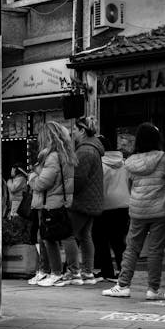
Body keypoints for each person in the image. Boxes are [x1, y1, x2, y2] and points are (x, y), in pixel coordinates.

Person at [103, 123, 165, 300]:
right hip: (161, 210)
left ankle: (123, 285)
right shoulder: (163, 159)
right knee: (155, 251)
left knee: (131, 248)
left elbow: (130, 187)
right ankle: (153, 289)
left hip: (138, 210)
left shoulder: (129, 162)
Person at [52, 116, 104, 286]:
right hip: (92, 201)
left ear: (82, 130)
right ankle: (87, 272)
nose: (72, 132)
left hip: (81, 201)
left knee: (69, 235)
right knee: (85, 235)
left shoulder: (85, 150)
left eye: (75, 129)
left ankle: (73, 272)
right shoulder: (93, 148)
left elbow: (79, 179)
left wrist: (67, 192)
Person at [26, 121, 77, 287]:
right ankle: (69, 271)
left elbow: (42, 183)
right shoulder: (65, 154)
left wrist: (31, 177)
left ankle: (54, 272)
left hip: (51, 201)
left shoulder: (52, 156)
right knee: (63, 236)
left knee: (49, 238)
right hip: (59, 200)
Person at [93, 136, 129, 282]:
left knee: (100, 239)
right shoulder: (124, 163)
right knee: (119, 240)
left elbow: (98, 186)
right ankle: (124, 271)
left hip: (105, 205)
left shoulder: (100, 164)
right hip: (124, 204)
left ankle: (107, 270)